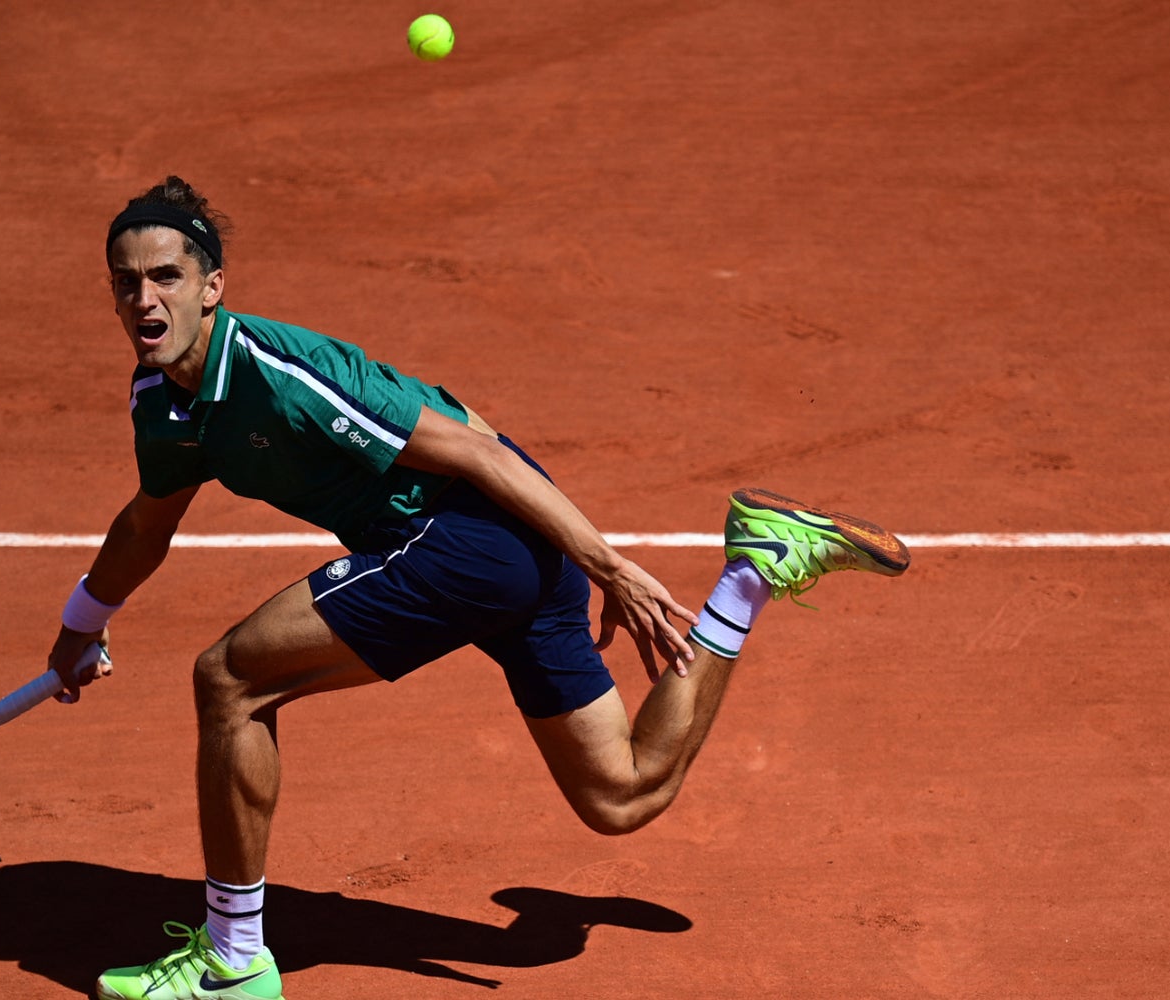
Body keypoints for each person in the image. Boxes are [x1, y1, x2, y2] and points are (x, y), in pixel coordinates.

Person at [52, 176, 910, 1000]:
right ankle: (755, 571)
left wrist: (610, 566)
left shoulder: (281, 370)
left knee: (230, 679)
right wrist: (82, 621)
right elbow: (145, 523)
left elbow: (478, 451)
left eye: (167, 276)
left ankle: (234, 963)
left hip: (474, 535)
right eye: (125, 283)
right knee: (624, 793)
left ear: (213, 288)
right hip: (509, 548)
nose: (144, 300)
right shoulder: (159, 401)